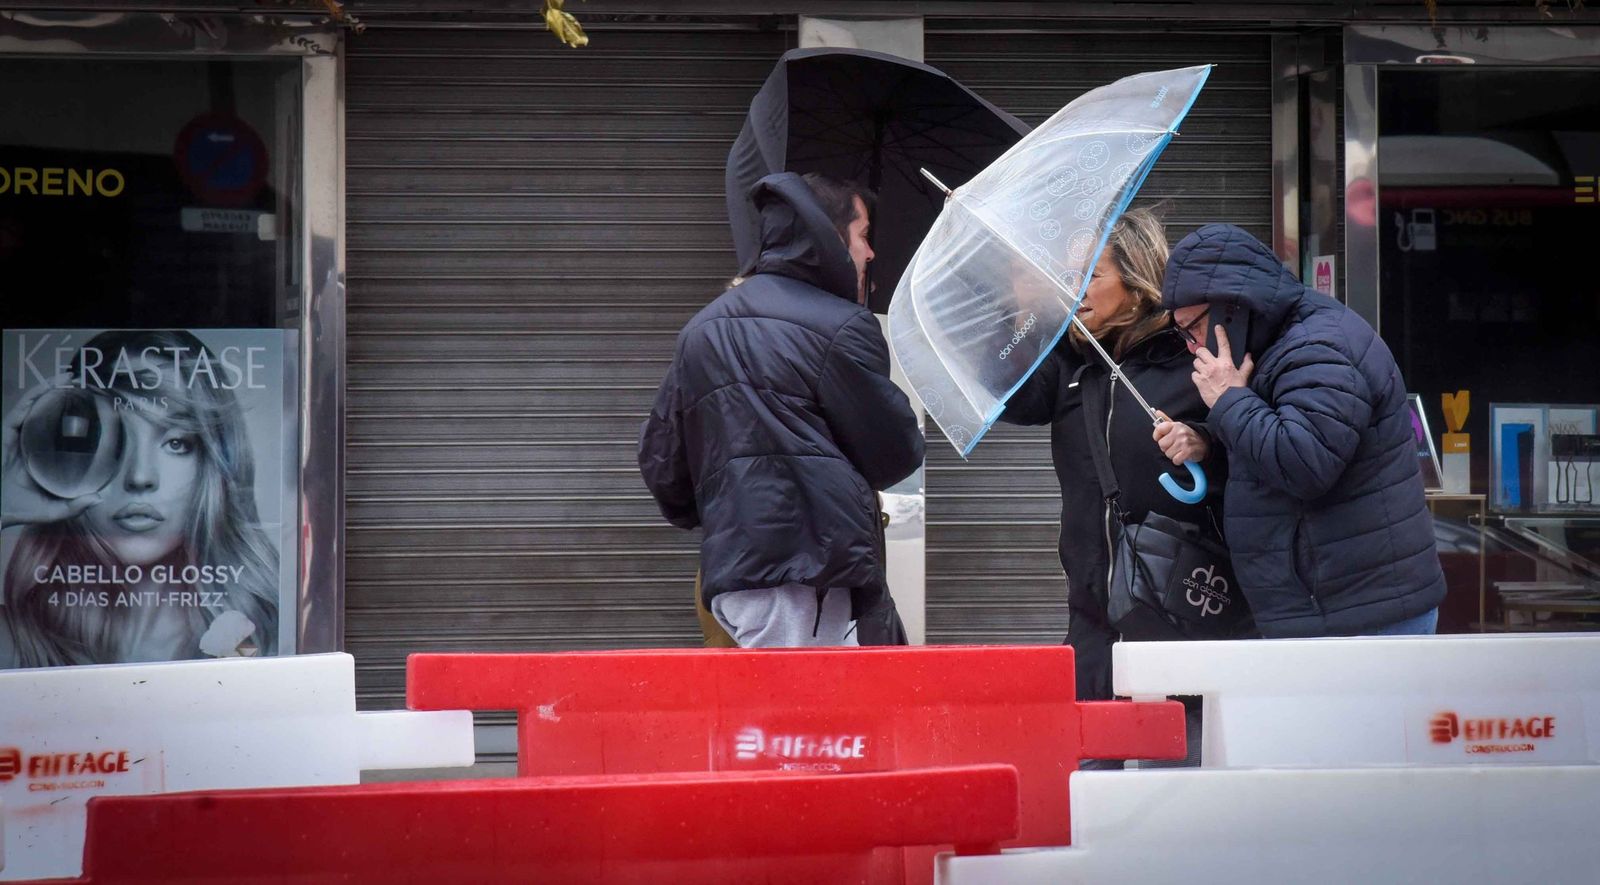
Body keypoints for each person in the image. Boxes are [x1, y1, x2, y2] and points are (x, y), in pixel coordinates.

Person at [639, 171, 923, 648]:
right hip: (813, 577)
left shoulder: (701, 329)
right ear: (829, 238)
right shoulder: (841, 326)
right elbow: (895, 453)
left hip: (732, 579)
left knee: (755, 715)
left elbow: (663, 467)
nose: (870, 253)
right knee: (812, 715)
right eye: (863, 234)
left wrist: (730, 511)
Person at [1163, 224, 1446, 637]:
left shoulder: (1318, 347)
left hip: (1361, 616)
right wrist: (1207, 442)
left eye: (1192, 329)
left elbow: (1304, 463)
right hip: (1331, 608)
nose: (1191, 346)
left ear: (1232, 308)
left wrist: (1228, 400)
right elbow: (1267, 458)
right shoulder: (1275, 346)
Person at [1000, 209, 1229, 711]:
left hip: (1177, 605)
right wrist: (1023, 303)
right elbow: (1013, 400)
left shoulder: (1188, 356)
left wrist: (1202, 440)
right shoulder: (1071, 361)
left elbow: (1244, 448)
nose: (1076, 289)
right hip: (1094, 611)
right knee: (1094, 770)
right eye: (1069, 277)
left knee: (1178, 768)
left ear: (1136, 278)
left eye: (1092, 276)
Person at [0, 329, 280, 667]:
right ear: (66, 458)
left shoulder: (248, 637)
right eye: (116, 441)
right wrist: (5, 505)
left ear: (210, 468)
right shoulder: (15, 641)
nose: (140, 477)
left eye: (176, 443)